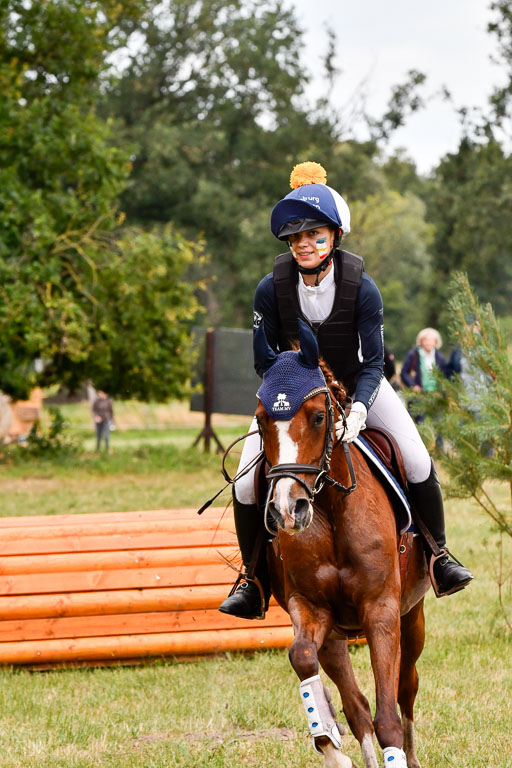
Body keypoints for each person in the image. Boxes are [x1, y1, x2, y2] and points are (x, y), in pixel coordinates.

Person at [219, 161, 472, 620]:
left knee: (415, 457)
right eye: (295, 238)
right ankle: (252, 579)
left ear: (334, 237)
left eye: (315, 235)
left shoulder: (362, 288)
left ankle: (439, 556)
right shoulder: (269, 290)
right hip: (293, 397)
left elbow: (374, 361)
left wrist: (357, 409)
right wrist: (290, 393)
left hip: (360, 387)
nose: (304, 245)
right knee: (243, 482)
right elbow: (265, 360)